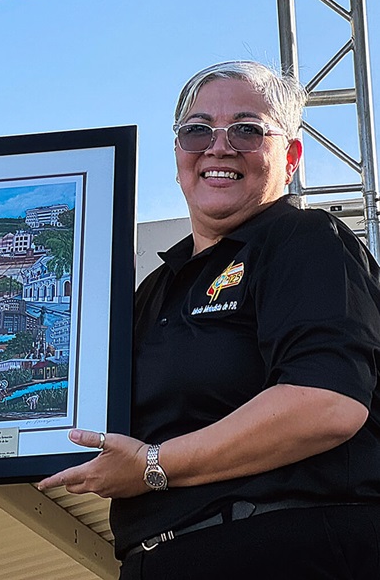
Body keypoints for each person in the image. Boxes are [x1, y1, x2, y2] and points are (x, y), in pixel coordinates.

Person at [39, 61, 380, 579]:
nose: (218, 147)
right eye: (197, 131)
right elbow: (55, 426)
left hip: (289, 552)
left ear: (290, 156)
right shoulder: (149, 293)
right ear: (178, 154)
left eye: (246, 129)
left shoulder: (304, 241)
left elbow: (326, 403)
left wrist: (154, 466)